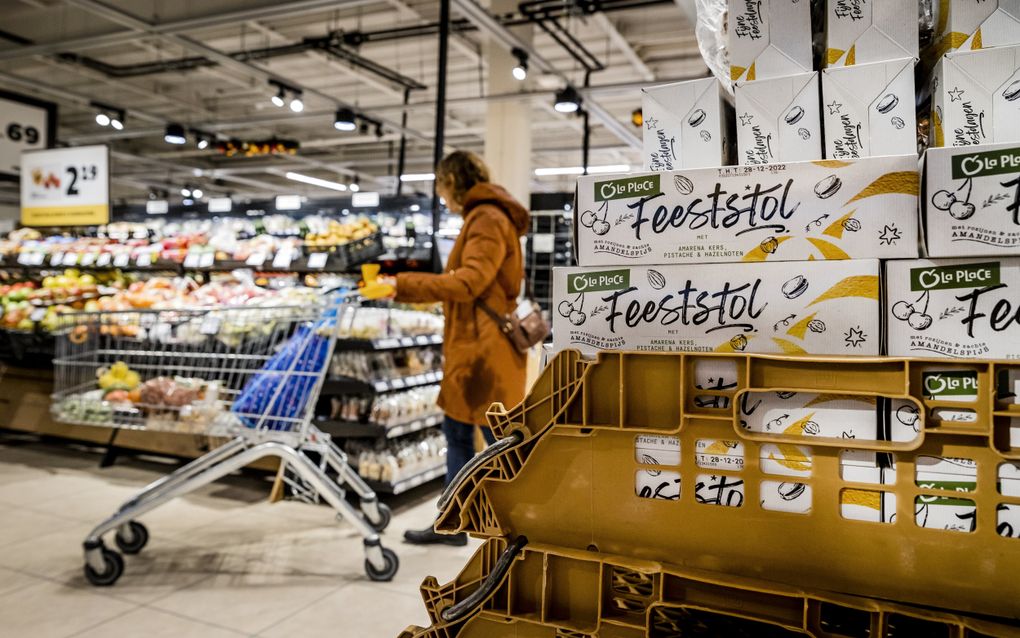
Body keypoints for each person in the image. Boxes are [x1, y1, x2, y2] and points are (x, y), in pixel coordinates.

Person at [394, 151, 530, 546]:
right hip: (474, 346)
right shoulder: (483, 217)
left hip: (483, 351)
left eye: (440, 186)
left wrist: (401, 286)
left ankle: (528, 523)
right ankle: (453, 521)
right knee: (460, 430)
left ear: (451, 181)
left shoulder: (487, 219)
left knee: (498, 442)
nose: (440, 196)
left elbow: (469, 282)